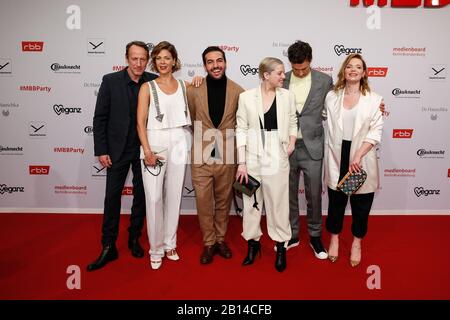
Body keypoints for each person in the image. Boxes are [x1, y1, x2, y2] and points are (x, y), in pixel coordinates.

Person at [88, 41, 158, 271]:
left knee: (141, 197)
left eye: (142, 59)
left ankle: (134, 238)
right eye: (134, 58)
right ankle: (108, 245)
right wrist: (101, 149)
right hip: (116, 151)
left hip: (144, 150)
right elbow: (100, 118)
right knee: (111, 198)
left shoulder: (153, 81)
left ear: (147, 60)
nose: (138, 63)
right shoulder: (110, 81)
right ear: (126, 58)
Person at [235, 57, 297, 272]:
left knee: (278, 203)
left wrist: (290, 144)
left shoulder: (287, 96)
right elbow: (241, 128)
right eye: (279, 73)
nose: (283, 76)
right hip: (251, 156)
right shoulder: (245, 97)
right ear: (265, 75)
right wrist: (241, 163)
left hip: (277, 154)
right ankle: (253, 245)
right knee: (251, 201)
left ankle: (281, 246)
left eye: (283, 72)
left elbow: (292, 121)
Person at [324, 53, 383, 267]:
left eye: (358, 67)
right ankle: (334, 238)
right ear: (344, 70)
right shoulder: (331, 96)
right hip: (337, 155)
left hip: (361, 156)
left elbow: (376, 132)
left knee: (360, 204)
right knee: (336, 203)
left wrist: (358, 154)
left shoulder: (374, 100)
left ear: (364, 73)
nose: (353, 69)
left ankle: (357, 242)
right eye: (349, 66)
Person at [136, 41, 191, 270]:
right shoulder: (147, 87)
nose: (163, 62)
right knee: (154, 198)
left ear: (174, 60)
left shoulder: (185, 85)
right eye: (158, 58)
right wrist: (147, 150)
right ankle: (155, 249)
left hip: (179, 140)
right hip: (155, 142)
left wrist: (198, 80)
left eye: (167, 58)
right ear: (154, 61)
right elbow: (140, 122)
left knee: (174, 196)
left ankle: (170, 244)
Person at [187, 46, 244, 265]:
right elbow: (193, 118)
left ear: (226, 63)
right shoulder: (193, 89)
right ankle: (208, 242)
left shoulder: (238, 91)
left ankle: (220, 239)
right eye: (210, 62)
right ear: (205, 66)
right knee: (203, 201)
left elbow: (240, 123)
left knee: (223, 200)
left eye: (219, 60)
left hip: (227, 152)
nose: (215, 65)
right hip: (202, 151)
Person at [282, 40, 333, 259]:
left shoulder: (324, 80)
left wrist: (372, 106)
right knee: (289, 194)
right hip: (286, 146)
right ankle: (293, 234)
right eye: (295, 68)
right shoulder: (281, 79)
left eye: (303, 67)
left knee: (314, 194)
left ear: (310, 61)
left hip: (313, 145)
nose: (300, 72)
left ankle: (315, 235)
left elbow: (338, 105)